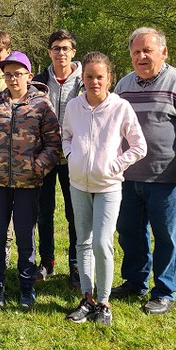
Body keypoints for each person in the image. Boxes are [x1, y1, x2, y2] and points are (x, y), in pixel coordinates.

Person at [111, 27, 176, 315]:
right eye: (136, 52)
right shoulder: (123, 86)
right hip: (127, 178)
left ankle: (164, 290)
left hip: (165, 179)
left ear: (163, 52)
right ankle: (134, 281)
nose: (141, 56)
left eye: (147, 50)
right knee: (129, 232)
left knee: (164, 235)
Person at [62, 52, 147, 327]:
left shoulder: (120, 108)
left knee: (102, 243)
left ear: (109, 78)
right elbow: (66, 135)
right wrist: (70, 155)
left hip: (108, 186)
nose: (94, 82)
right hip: (78, 184)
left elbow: (139, 146)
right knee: (83, 242)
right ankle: (87, 299)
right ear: (82, 78)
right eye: (89, 77)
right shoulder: (74, 106)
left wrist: (115, 165)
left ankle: (104, 302)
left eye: (100, 77)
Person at [0, 51, 61, 308]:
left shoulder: (42, 105)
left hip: (28, 183)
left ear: (29, 76)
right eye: (8, 74)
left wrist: (38, 167)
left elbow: (53, 144)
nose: (12, 79)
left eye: (18, 74)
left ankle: (26, 285)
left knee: (25, 236)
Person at [32, 30, 84, 287]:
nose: (60, 52)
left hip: (76, 157)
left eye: (65, 48)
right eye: (56, 48)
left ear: (73, 51)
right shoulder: (39, 81)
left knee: (75, 214)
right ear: (49, 51)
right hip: (46, 156)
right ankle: (46, 262)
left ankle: (76, 265)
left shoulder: (86, 80)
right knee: (44, 212)